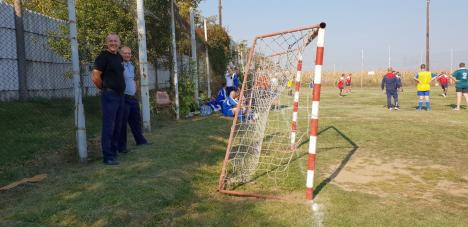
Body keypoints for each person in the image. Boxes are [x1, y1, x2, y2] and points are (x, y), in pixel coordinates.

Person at [92, 33, 126, 165]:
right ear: (107, 43)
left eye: (115, 41)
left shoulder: (118, 56)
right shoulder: (103, 56)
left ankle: (114, 151)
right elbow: (95, 76)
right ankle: (108, 156)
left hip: (120, 95)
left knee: (118, 124)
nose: (113, 43)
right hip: (110, 95)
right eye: (110, 41)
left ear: (119, 43)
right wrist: (105, 88)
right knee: (109, 126)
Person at [118, 46, 149, 154]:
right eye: (125, 53)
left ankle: (140, 140)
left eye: (129, 53)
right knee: (122, 123)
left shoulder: (131, 65)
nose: (127, 55)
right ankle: (122, 147)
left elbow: (132, 80)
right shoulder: (119, 65)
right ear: (120, 54)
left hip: (132, 97)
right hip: (123, 97)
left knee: (136, 120)